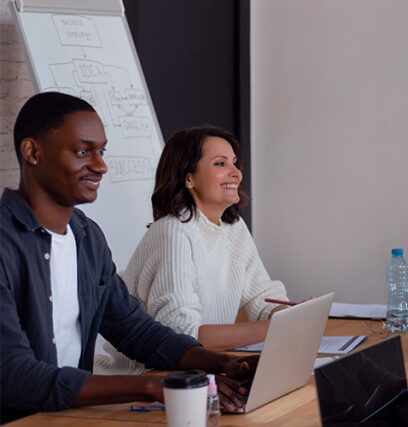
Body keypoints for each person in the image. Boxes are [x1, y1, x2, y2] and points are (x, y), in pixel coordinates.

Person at [0, 92, 254, 422]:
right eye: (82, 151)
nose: (101, 165)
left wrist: (224, 364)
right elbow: (14, 375)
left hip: (68, 417)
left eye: (101, 151)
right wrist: (150, 387)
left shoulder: (87, 237)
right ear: (33, 152)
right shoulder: (5, 242)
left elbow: (135, 330)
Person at [95, 126, 293, 374]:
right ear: (189, 178)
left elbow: (262, 296)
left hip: (205, 372)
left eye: (235, 163)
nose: (236, 173)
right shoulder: (173, 231)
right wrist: (274, 328)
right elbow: (182, 336)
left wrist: (286, 315)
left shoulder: (234, 227)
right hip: (143, 381)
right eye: (221, 164)